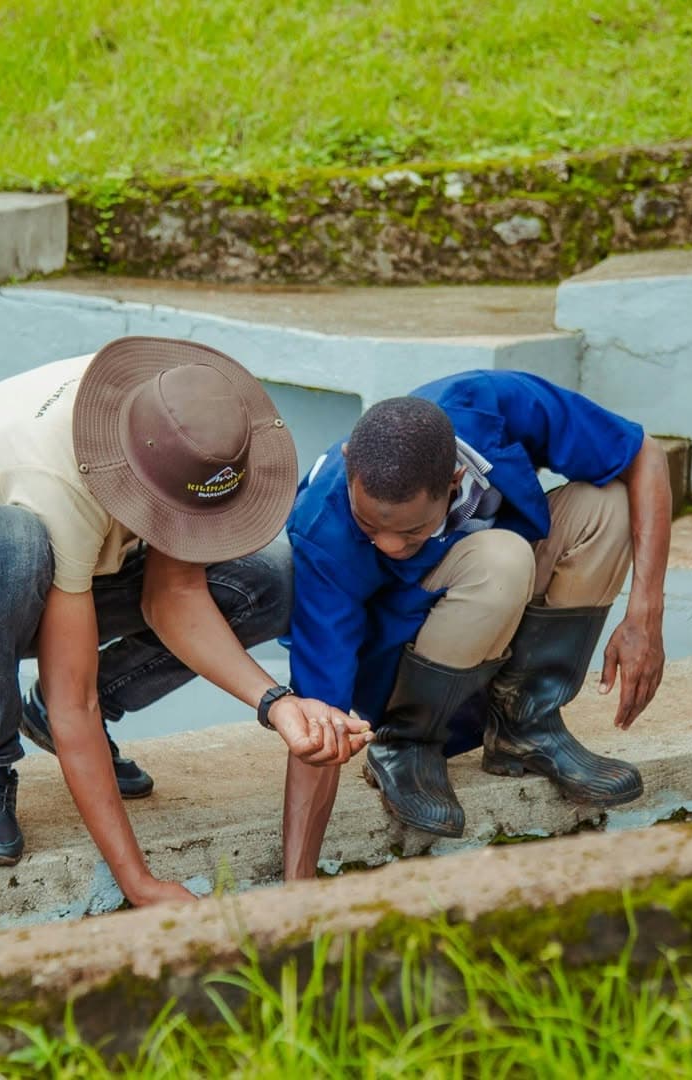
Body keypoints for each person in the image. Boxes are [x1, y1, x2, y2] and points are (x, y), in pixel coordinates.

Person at [0, 336, 371, 907]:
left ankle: (57, 714)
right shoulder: (57, 480)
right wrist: (139, 883)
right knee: (12, 542)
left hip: (56, 567)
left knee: (267, 576)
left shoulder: (190, 428)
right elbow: (70, 696)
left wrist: (277, 703)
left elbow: (174, 593)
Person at [281, 369, 671, 879]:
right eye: (370, 524)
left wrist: (645, 613)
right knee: (501, 559)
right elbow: (321, 713)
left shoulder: (488, 404)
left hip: (486, 620)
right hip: (400, 670)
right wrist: (297, 881)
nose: (390, 545)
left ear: (455, 481)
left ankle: (526, 725)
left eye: (412, 528)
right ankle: (408, 747)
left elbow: (646, 455)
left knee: (606, 507)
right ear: (352, 466)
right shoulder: (323, 527)